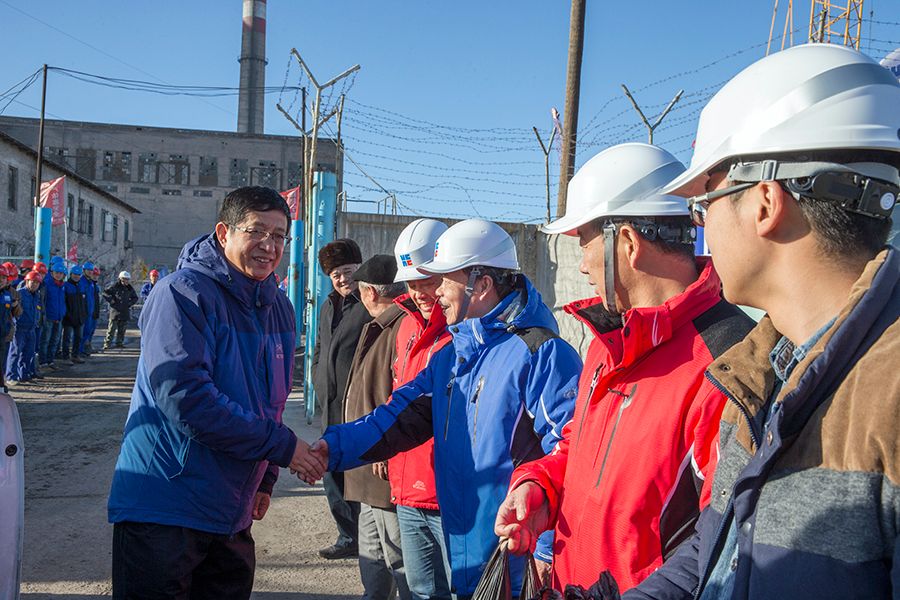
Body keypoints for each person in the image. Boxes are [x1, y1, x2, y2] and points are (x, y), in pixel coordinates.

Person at [621, 44, 900, 600]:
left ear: (765, 203)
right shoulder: (759, 373)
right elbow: (714, 550)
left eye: (705, 204)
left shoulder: (889, 399)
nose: (702, 229)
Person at [493, 143, 755, 592]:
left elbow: (723, 546)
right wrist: (540, 487)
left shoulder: (726, 364)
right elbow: (579, 448)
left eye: (584, 242)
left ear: (628, 243)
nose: (582, 265)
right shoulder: (610, 342)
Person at [306, 219, 583, 598]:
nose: (436, 292)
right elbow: (400, 416)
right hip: (465, 548)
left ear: (481, 285)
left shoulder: (542, 353)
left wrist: (547, 550)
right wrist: (333, 447)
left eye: (445, 280)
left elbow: (571, 455)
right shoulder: (453, 355)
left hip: (514, 557)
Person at [107, 186, 325, 600]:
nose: (269, 246)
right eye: (256, 231)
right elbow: (186, 398)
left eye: (279, 235)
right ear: (224, 233)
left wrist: (266, 478)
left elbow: (272, 402)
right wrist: (283, 448)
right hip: (166, 507)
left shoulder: (279, 307)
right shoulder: (182, 294)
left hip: (231, 513)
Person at [341, 254, 412, 600]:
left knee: (397, 555)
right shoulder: (381, 325)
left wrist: (386, 446)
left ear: (370, 292)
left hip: (382, 465)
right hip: (366, 463)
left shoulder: (400, 327)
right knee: (372, 555)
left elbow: (400, 394)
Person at [389, 218, 453, 600]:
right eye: (411, 283)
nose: (418, 292)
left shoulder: (466, 333)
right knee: (420, 592)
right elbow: (396, 397)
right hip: (408, 491)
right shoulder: (405, 329)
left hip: (449, 497)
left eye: (426, 280)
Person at [312, 238, 370, 560]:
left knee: (361, 473)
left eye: (348, 271)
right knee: (333, 475)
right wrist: (318, 380)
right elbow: (320, 348)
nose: (343, 279)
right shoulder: (328, 305)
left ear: (359, 268)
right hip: (331, 405)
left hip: (358, 405)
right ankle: (349, 536)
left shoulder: (369, 303)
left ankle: (369, 538)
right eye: (336, 274)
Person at [5, 271, 43, 385]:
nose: (35, 284)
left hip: (31, 328)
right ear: (27, 281)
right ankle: (11, 376)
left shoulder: (37, 295)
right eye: (33, 282)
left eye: (37, 283)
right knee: (15, 352)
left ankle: (24, 375)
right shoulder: (19, 294)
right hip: (20, 328)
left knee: (28, 353)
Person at [40, 263, 66, 370]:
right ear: (51, 273)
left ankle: (51, 361)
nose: (58, 275)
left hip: (59, 317)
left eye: (61, 273)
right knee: (45, 340)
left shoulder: (62, 286)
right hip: (49, 317)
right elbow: (43, 301)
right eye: (56, 273)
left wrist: (63, 313)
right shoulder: (46, 284)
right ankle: (42, 362)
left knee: (55, 340)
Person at [0, 263, 22, 393]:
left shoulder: (9, 294)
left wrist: (16, 306)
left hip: (4, 334)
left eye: (3, 278)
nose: (1, 281)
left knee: (2, 362)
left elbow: (16, 313)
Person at [102, 271, 138, 350]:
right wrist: (111, 300)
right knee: (111, 329)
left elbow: (135, 298)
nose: (127, 281)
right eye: (125, 279)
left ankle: (119, 343)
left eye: (128, 279)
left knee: (122, 329)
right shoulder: (114, 286)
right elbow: (105, 293)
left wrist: (129, 303)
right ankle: (107, 344)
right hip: (115, 311)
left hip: (124, 311)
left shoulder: (129, 288)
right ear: (121, 279)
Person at [61, 265, 87, 364]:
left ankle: (75, 355)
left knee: (78, 338)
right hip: (69, 318)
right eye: (74, 274)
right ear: (70, 274)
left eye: (78, 275)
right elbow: (63, 302)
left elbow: (84, 303)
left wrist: (84, 314)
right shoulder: (66, 286)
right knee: (67, 338)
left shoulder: (81, 286)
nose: (76, 276)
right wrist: (67, 315)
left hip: (79, 317)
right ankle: (65, 357)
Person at [79, 261, 98, 356]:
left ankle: (83, 350)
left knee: (87, 332)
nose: (90, 272)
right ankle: (79, 351)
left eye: (91, 270)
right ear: (84, 270)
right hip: (84, 312)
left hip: (90, 312)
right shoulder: (82, 282)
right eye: (88, 270)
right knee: (81, 333)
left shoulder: (91, 283)